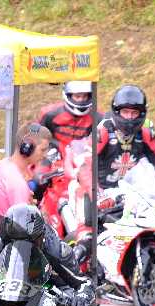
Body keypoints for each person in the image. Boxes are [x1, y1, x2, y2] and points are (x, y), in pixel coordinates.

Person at [35, 81, 101, 231]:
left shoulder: (99, 118)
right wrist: (48, 152)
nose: (81, 100)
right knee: (38, 179)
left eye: (85, 96)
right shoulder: (49, 114)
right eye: (77, 96)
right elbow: (38, 139)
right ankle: (30, 212)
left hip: (83, 163)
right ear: (68, 95)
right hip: (55, 159)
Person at [0, 123, 52, 236]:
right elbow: (24, 230)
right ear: (27, 148)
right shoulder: (18, 184)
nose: (45, 155)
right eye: (42, 150)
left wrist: (2, 203)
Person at [95, 85, 155, 192]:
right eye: (125, 112)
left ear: (141, 114)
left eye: (134, 113)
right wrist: (96, 192)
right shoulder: (104, 129)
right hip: (101, 192)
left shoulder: (145, 131)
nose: (130, 117)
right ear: (117, 111)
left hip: (132, 193)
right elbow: (87, 163)